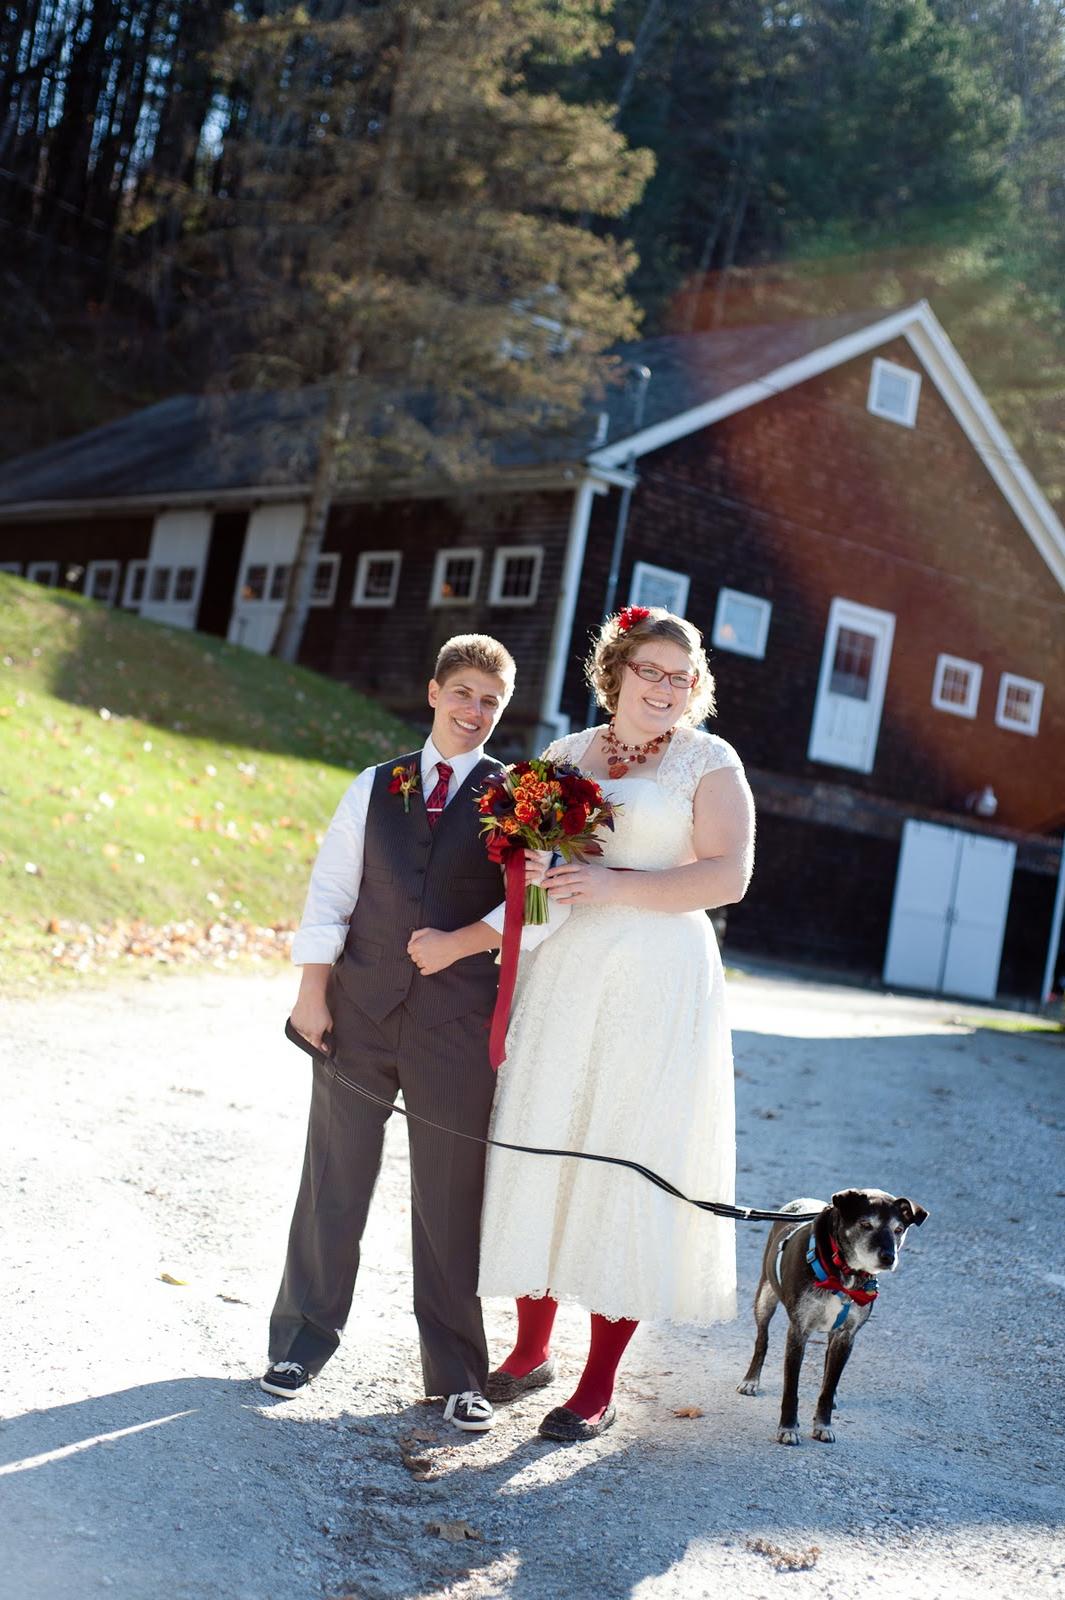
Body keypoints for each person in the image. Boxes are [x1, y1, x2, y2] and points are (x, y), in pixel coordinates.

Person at [477, 605, 756, 1441]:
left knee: (620, 1153)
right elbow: (532, 879)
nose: (667, 688)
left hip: (656, 978)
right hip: (564, 973)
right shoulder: (565, 755)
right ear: (617, 673)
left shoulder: (711, 761)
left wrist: (615, 887)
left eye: (682, 676)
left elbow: (729, 876)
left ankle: (596, 1382)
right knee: (546, 1136)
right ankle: (529, 1352)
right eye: (652, 671)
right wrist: (529, 879)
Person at [262, 633, 545, 1433]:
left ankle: (457, 1373)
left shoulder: (520, 798)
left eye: (490, 700)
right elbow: (330, 893)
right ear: (432, 692)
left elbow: (545, 909)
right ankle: (301, 1339)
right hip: (357, 1011)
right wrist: (310, 993)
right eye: (462, 692)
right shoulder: (372, 786)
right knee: (334, 1179)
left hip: (456, 1025)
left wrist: (463, 941)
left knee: (450, 1196)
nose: (474, 711)